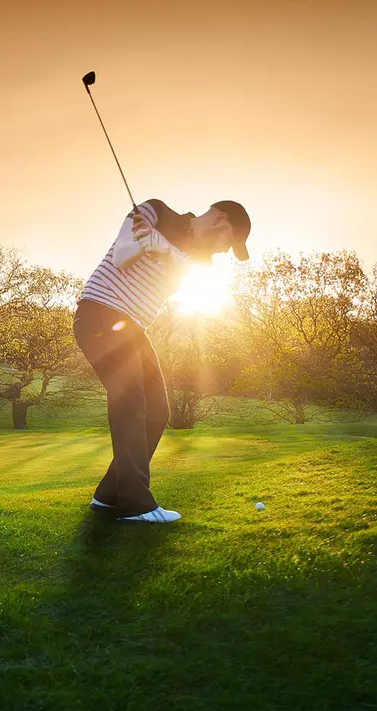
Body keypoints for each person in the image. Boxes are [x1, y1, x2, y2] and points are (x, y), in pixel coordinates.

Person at [74, 199, 251, 523]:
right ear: (220, 219)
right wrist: (147, 243)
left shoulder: (203, 261)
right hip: (101, 314)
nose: (226, 250)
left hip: (130, 328)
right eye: (230, 241)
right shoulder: (154, 211)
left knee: (158, 410)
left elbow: (184, 269)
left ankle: (108, 496)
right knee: (130, 402)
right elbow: (122, 256)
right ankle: (136, 504)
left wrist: (160, 246)